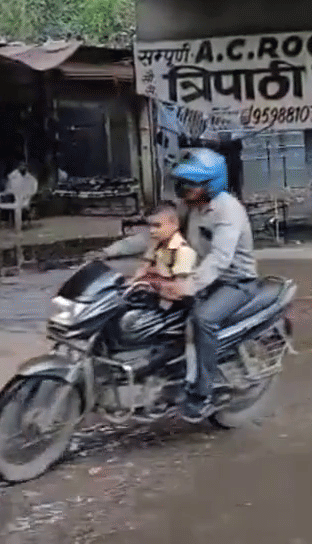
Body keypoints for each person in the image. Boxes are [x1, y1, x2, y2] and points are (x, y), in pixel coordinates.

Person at [91, 148, 258, 422]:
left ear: (209, 184)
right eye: (181, 183)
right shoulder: (189, 207)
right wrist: (111, 251)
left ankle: (202, 394)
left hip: (234, 283)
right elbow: (155, 237)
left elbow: (220, 259)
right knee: (140, 304)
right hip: (196, 277)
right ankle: (161, 372)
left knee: (203, 319)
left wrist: (189, 286)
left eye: (189, 184)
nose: (182, 189)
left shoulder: (228, 212)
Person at [133, 204, 198, 307]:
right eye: (149, 226)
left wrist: (151, 286)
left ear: (174, 224)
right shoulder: (157, 245)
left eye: (157, 226)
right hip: (157, 298)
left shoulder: (184, 251)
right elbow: (142, 269)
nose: (151, 231)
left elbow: (177, 289)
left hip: (175, 305)